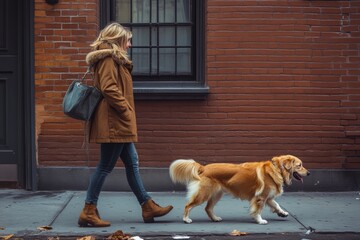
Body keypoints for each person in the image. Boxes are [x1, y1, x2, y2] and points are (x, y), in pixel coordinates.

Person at [78, 22, 173, 227]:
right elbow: (109, 88)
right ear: (118, 40)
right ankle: (88, 210)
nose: (129, 45)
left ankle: (147, 206)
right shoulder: (108, 60)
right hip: (114, 120)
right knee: (105, 167)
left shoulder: (114, 59)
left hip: (117, 119)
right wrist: (125, 109)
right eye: (127, 40)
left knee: (132, 162)